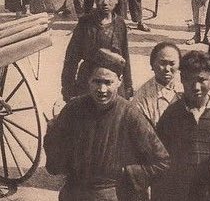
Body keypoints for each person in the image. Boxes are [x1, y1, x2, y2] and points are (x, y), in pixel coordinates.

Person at [45, 48, 169, 201]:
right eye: (97, 81)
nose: (102, 89)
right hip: (74, 194)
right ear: (88, 80)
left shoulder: (130, 115)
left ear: (119, 81)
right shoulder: (73, 109)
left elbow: (162, 162)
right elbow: (55, 161)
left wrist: (127, 173)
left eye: (108, 82)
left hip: (113, 195)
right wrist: (53, 137)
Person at [154, 51, 210, 201]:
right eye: (190, 80)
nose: (196, 87)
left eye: (202, 80)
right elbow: (160, 159)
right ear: (181, 79)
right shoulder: (171, 115)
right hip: (181, 193)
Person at [61, 0, 133, 102]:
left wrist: (128, 85)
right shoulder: (85, 23)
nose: (104, 2)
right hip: (88, 82)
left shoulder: (120, 24)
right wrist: (68, 88)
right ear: (95, 0)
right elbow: (71, 58)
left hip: (112, 82)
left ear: (117, 0)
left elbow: (124, 55)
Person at [133, 41, 182, 128]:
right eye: (162, 63)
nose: (167, 69)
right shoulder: (142, 96)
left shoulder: (186, 87)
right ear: (152, 64)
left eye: (172, 64)